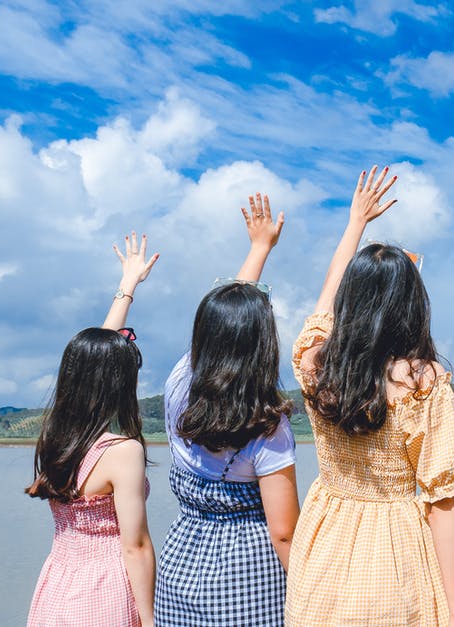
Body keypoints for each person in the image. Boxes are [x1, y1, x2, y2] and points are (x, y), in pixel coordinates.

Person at [286, 166, 454, 627]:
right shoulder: (424, 383)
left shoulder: (315, 364)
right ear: (413, 305)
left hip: (323, 547)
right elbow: (442, 501)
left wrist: (355, 225)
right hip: (396, 553)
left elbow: (323, 305)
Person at [154, 194, 299, 627]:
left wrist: (257, 249)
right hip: (251, 579)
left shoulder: (180, 383)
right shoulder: (268, 428)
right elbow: (285, 532)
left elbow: (226, 327)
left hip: (181, 570)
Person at [26, 231, 160, 627]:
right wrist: (151, 620)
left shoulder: (59, 437)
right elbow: (135, 546)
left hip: (57, 587)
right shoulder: (122, 451)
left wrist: (127, 286)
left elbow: (94, 360)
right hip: (106, 591)